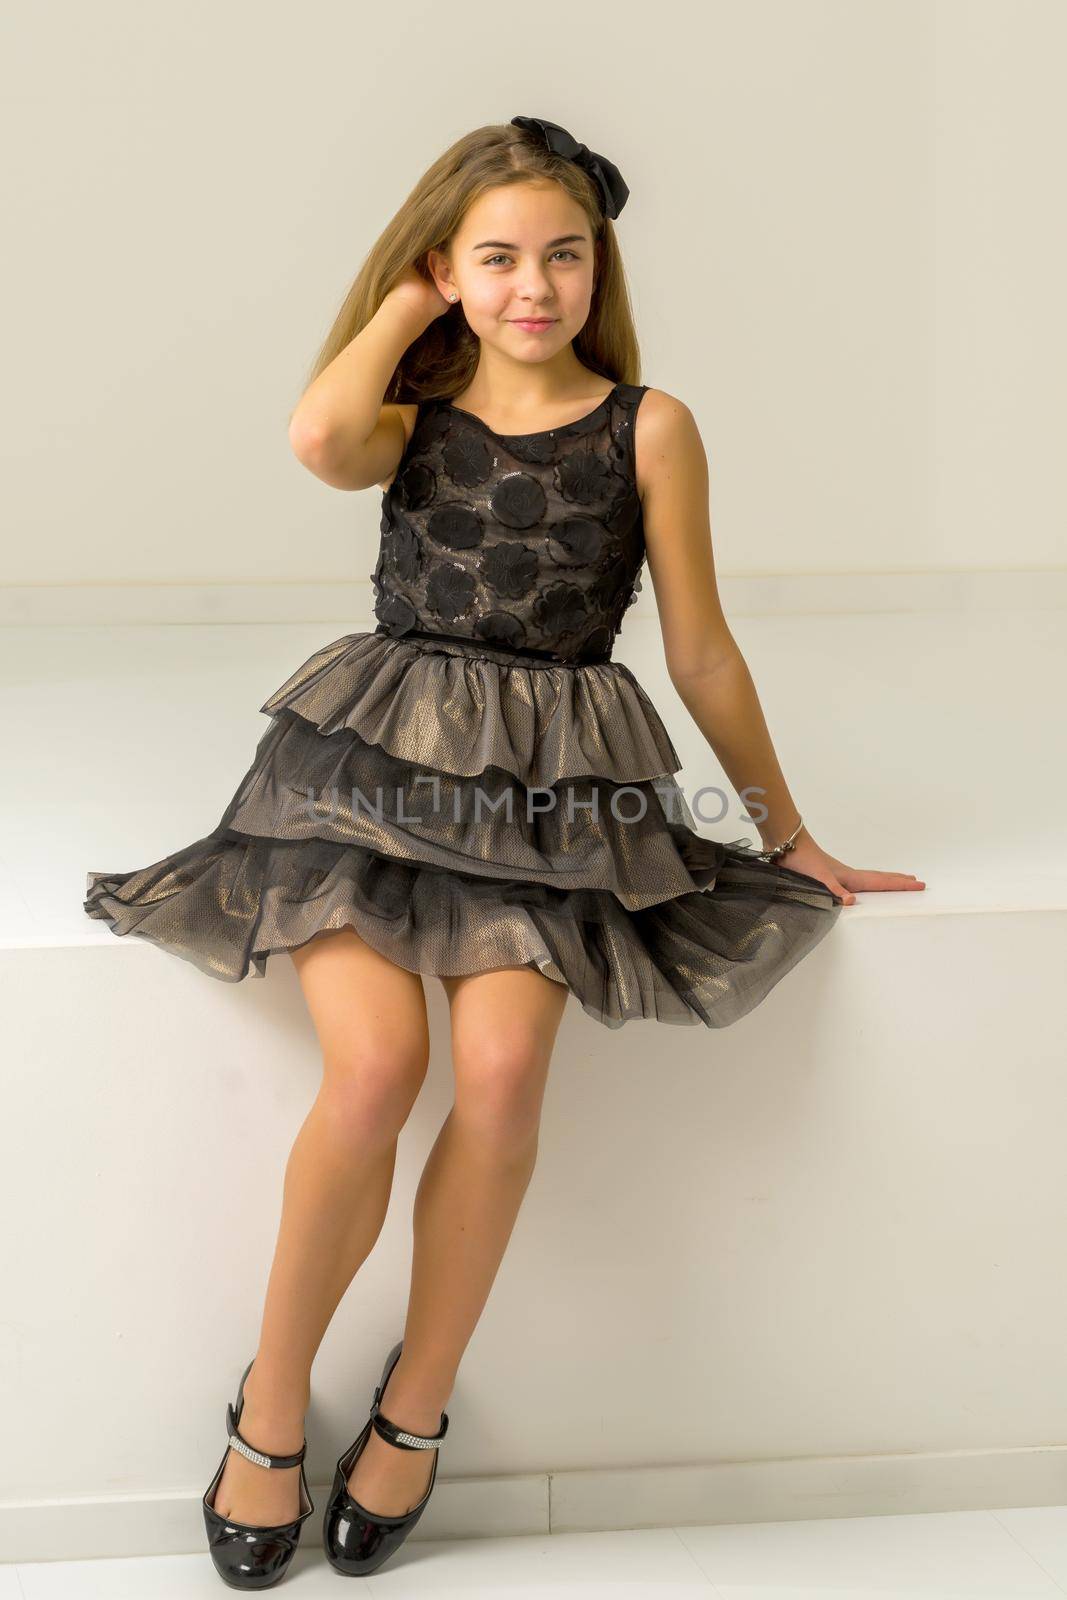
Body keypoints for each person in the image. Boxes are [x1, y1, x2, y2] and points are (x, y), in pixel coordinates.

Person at [84, 114, 925, 1586]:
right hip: (371, 772)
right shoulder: (411, 411)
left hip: (554, 793)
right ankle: (269, 1413)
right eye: (498, 258)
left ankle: (415, 1405)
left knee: (501, 1071)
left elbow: (705, 651)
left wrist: (787, 834)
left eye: (564, 255)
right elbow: (315, 441)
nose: (535, 286)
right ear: (447, 268)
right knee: (375, 1068)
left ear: (601, 266)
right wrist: (411, 301)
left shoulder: (648, 425)